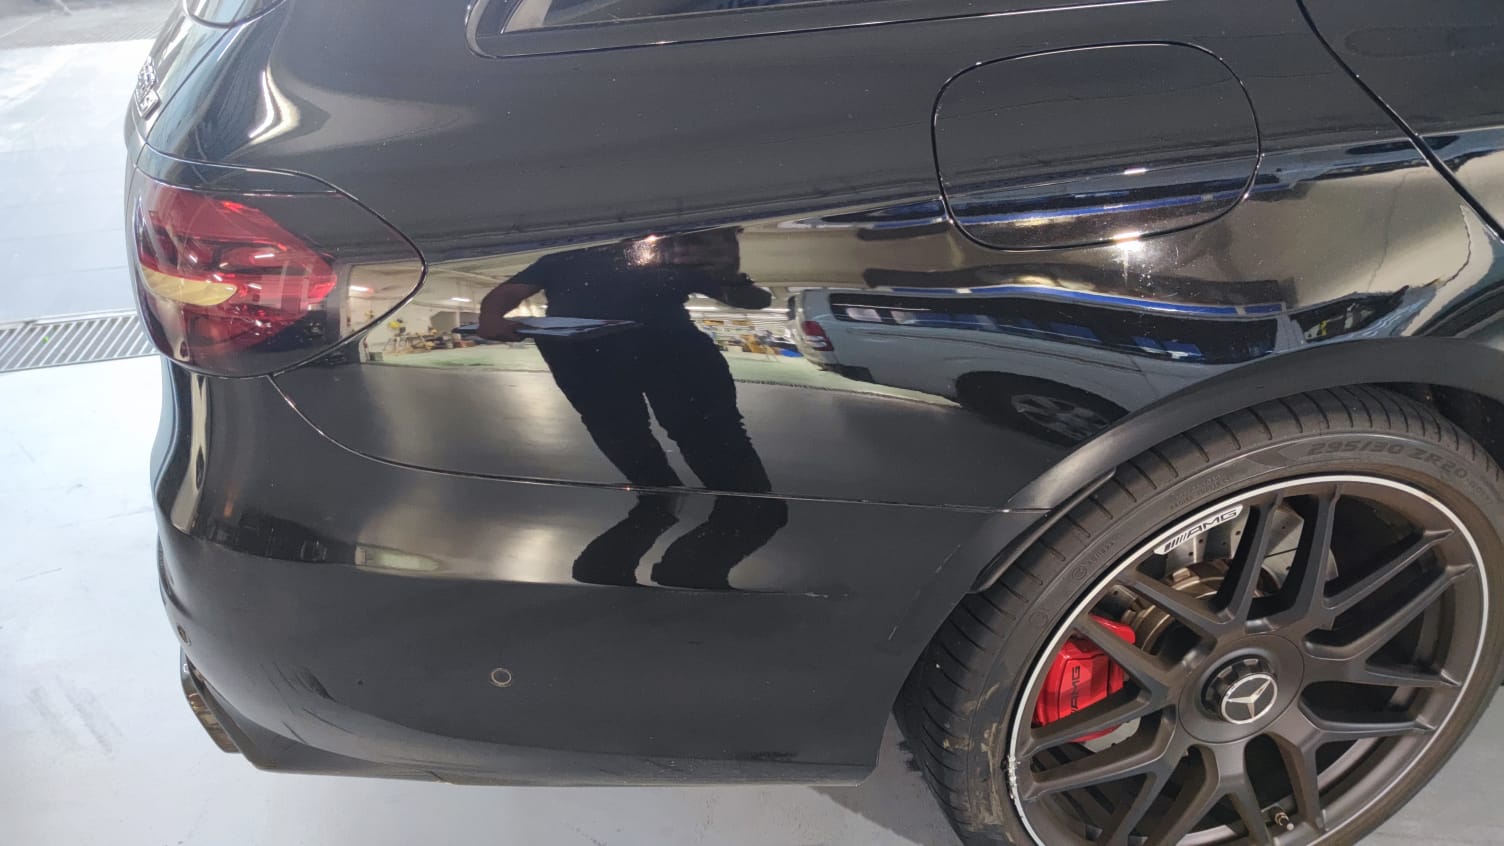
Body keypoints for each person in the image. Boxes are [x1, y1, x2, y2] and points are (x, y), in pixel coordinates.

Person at [479, 229, 786, 588]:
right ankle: (660, 493)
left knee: (702, 428)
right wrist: (491, 316)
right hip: (587, 358)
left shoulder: (670, 256)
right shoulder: (563, 258)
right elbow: (505, 294)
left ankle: (742, 500)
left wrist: (730, 275)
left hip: (669, 354)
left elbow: (753, 300)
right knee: (617, 429)